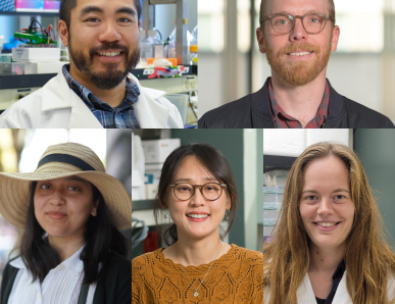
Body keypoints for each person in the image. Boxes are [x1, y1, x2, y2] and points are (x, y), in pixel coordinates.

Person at [199, 0, 394, 129]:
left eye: (313, 19)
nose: (298, 33)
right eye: (282, 21)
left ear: (334, 38)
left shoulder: (380, 127)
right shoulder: (213, 125)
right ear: (261, 40)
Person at [0, 0, 183, 129]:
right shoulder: (18, 121)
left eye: (124, 19)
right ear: (64, 32)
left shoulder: (168, 113)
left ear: (138, 28)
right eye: (93, 19)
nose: (111, 34)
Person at [0, 142, 132, 304]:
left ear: (95, 204)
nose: (56, 200)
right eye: (46, 186)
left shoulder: (122, 276)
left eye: (73, 188)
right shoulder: (14, 270)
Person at [263, 142, 395, 304]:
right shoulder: (261, 274)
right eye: (311, 197)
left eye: (339, 197)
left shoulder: (389, 281)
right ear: (295, 206)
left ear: (358, 204)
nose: (324, 210)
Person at [132, 144, 263, 303]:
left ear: (228, 200)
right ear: (164, 199)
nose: (197, 201)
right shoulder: (138, 272)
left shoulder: (257, 269)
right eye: (184, 188)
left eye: (210, 188)